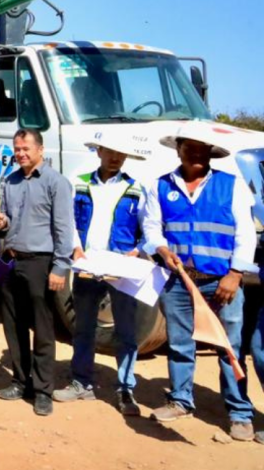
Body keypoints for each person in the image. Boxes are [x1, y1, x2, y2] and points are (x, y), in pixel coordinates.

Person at [143, 121, 259, 441]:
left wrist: (235, 274)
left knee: (229, 348)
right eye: (188, 147)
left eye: (201, 149)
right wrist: (161, 249)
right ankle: (181, 399)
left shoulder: (231, 185)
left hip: (221, 283)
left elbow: (245, 235)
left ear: (210, 153)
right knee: (181, 344)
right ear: (178, 149)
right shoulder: (159, 186)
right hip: (178, 282)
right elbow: (152, 229)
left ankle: (239, 413)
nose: (195, 153)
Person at [52, 133, 149, 415]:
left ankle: (125, 389)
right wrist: (76, 248)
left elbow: (149, 228)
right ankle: (81, 382)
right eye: (110, 151)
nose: (115, 157)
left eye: (121, 152)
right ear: (99, 152)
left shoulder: (137, 189)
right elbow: (67, 221)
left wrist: (138, 251)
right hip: (87, 266)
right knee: (83, 327)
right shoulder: (79, 182)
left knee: (126, 331)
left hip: (121, 270)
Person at [0, 129, 74, 416]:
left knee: (42, 329)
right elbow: (6, 223)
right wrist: (1, 222)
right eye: (16, 149)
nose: (20, 153)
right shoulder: (10, 182)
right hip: (11, 260)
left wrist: (60, 266)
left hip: (41, 262)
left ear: (40, 149)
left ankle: (43, 390)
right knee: (13, 324)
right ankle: (20, 381)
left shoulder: (57, 183)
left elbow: (64, 228)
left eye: (26, 148)